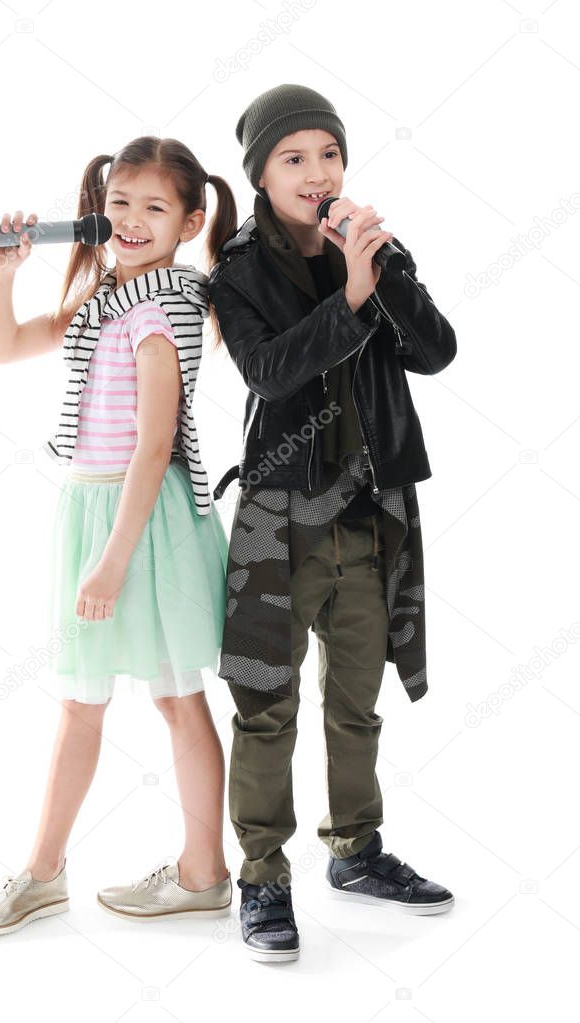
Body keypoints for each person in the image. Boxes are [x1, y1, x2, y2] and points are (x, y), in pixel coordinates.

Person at [207, 84, 458, 963]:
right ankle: (263, 878)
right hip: (280, 522)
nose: (317, 173)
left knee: (357, 699)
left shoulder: (372, 246)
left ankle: (355, 850)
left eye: (329, 154)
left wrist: (378, 272)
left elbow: (436, 351)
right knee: (264, 708)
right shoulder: (236, 269)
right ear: (262, 175)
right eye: (294, 158)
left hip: (368, 515)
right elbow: (271, 374)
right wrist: (349, 298)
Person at [0, 136, 238, 935]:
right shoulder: (104, 298)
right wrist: (2, 273)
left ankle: (203, 872)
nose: (130, 219)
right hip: (94, 507)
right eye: (119, 203)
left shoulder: (162, 305)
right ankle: (42, 872)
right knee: (82, 698)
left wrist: (113, 560)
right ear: (97, 210)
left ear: (189, 223)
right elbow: (3, 345)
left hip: (141, 523)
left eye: (154, 207)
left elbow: (154, 446)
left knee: (176, 695)